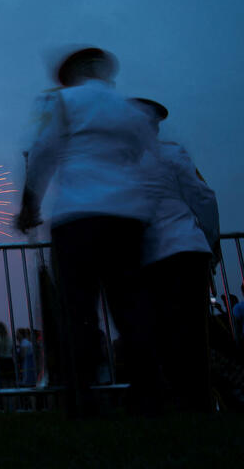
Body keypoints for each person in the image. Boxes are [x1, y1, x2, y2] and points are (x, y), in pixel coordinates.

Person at [16, 47, 159, 417]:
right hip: (127, 217)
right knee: (131, 309)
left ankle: (83, 396)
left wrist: (29, 204)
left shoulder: (62, 102)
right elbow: (149, 161)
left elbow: (43, 151)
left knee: (78, 311)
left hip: (78, 215)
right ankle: (147, 396)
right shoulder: (131, 110)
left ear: (70, 74)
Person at [135, 98, 220, 412]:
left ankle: (170, 400)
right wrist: (210, 240)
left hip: (148, 257)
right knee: (195, 330)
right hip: (187, 249)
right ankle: (200, 401)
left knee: (159, 330)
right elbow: (203, 197)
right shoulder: (172, 154)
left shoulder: (120, 165)